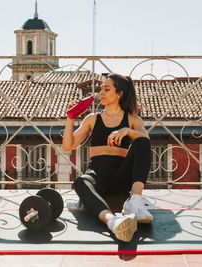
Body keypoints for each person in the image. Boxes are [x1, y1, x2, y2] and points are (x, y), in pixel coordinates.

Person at [62, 73, 153, 243]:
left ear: (120, 94)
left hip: (122, 178)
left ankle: (135, 200)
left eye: (106, 89)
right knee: (81, 182)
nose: (101, 93)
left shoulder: (133, 120)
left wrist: (127, 131)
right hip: (98, 178)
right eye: (101, 89)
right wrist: (70, 118)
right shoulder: (92, 119)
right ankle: (113, 221)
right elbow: (68, 146)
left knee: (142, 141)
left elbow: (145, 143)